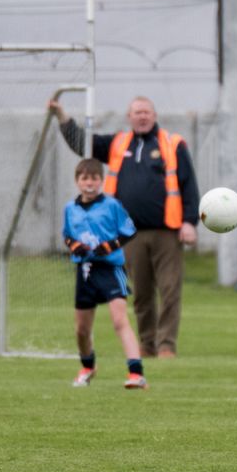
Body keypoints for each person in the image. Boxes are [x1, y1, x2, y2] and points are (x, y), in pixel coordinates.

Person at [48, 96, 199, 358]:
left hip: (167, 231)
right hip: (130, 234)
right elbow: (83, 143)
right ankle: (147, 344)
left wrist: (189, 222)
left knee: (169, 290)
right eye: (137, 112)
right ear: (129, 117)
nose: (142, 116)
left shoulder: (172, 144)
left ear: (154, 115)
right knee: (140, 293)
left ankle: (166, 346)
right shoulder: (118, 143)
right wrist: (62, 117)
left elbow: (189, 185)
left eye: (146, 112)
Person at [63, 158, 147, 389]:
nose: (89, 183)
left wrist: (109, 246)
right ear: (78, 181)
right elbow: (67, 235)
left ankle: (136, 373)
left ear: (101, 181)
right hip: (86, 271)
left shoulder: (112, 205)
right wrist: (74, 246)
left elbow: (129, 231)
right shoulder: (70, 208)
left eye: (94, 178)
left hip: (110, 269)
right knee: (81, 329)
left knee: (119, 320)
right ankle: (88, 367)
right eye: (84, 178)